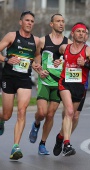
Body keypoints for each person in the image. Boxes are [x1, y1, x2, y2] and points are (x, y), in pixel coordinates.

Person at [53, 23, 90, 157]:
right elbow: (56, 54)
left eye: (83, 32)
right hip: (65, 83)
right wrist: (57, 60)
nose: (81, 33)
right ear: (72, 34)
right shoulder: (65, 48)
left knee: (73, 116)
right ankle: (67, 144)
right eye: (78, 31)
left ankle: (60, 137)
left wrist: (85, 64)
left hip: (79, 86)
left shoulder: (88, 51)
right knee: (68, 111)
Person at [28, 14, 72, 155]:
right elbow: (35, 59)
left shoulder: (69, 43)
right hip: (45, 81)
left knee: (51, 115)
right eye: (58, 21)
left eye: (63, 21)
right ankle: (36, 124)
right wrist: (38, 70)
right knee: (42, 113)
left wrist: (64, 62)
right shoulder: (42, 41)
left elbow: (71, 61)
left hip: (59, 83)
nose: (61, 24)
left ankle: (42, 143)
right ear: (51, 24)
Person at [0, 11, 40, 160]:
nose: (30, 23)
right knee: (7, 114)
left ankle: (15, 146)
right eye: (27, 20)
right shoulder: (11, 36)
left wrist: (37, 65)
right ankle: (1, 120)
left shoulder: (36, 40)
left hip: (24, 79)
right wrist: (6, 59)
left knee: (22, 110)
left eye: (32, 21)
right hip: (9, 78)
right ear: (21, 22)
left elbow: (36, 55)